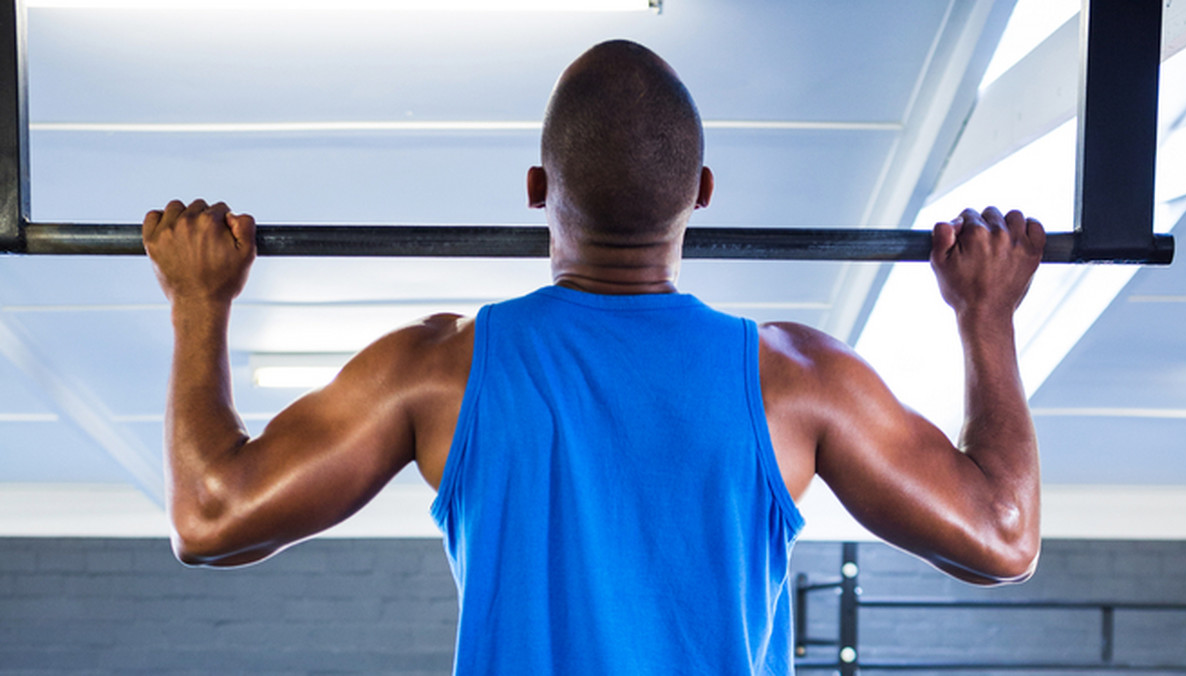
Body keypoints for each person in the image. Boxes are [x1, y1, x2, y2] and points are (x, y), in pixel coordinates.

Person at [143, 39, 1044, 674]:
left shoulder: (439, 371)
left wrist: (200, 300)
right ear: (703, 193)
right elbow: (1003, 538)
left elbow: (212, 518)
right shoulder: (796, 381)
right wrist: (985, 312)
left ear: (537, 190)